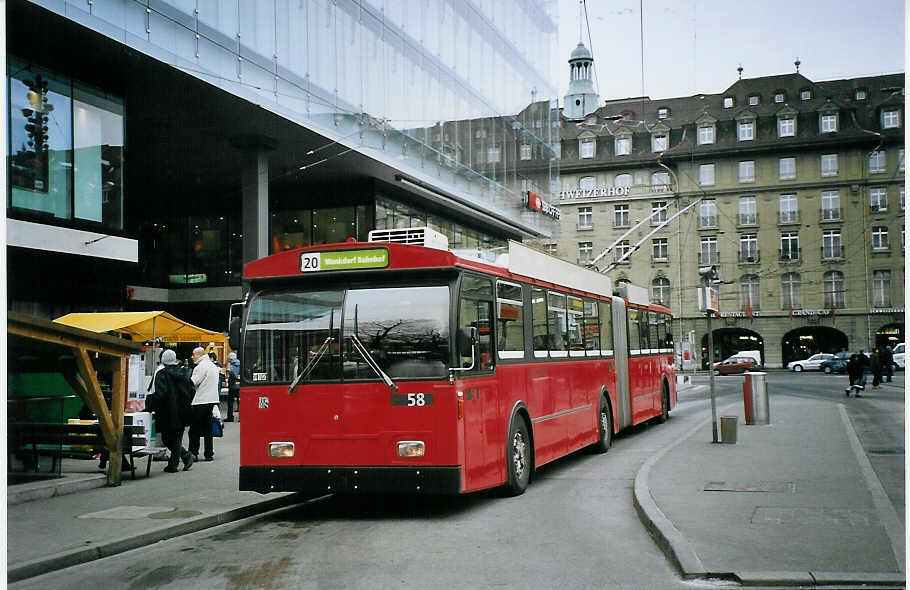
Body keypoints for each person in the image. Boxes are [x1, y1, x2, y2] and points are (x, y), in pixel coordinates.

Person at [148, 349, 194, 473]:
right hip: (183, 411)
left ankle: (174, 464)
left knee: (167, 438)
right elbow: (192, 390)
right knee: (177, 436)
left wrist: (149, 404)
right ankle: (185, 456)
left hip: (166, 411)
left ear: (163, 360)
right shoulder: (184, 373)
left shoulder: (161, 374)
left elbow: (160, 394)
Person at [189, 346, 220, 461]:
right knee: (207, 428)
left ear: (199, 355)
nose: (192, 357)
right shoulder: (213, 366)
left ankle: (193, 453)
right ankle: (209, 453)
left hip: (201, 400)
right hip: (211, 399)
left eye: (194, 355)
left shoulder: (200, 367)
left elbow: (194, 381)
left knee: (194, 429)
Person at [226, 351, 240, 422]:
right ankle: (240, 418)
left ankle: (230, 417)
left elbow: (228, 374)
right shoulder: (240, 363)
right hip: (239, 385)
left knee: (230, 402)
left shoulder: (230, 365)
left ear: (230, 359)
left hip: (232, 385)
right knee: (240, 401)